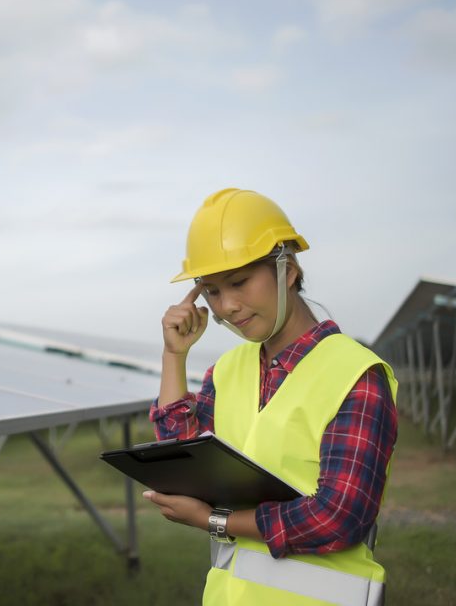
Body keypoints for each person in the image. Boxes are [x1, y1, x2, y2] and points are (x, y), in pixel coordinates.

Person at [145, 188, 398, 606]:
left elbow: (338, 517)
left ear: (289, 269)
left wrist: (214, 520)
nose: (227, 306)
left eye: (239, 282)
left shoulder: (357, 374)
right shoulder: (226, 371)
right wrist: (174, 355)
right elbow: (180, 461)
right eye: (210, 291)